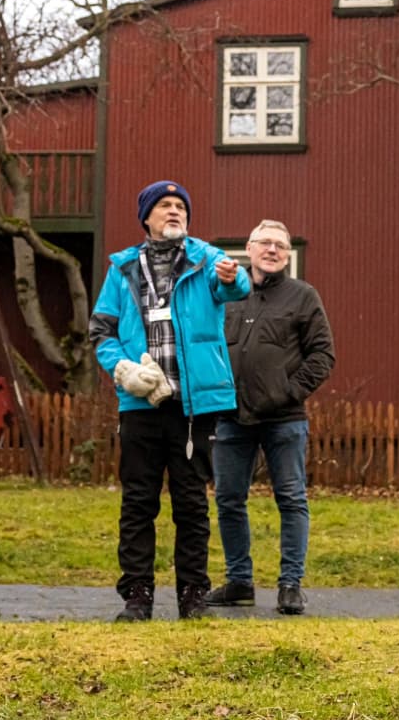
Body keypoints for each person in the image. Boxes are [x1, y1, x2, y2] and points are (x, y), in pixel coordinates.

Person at [88, 181, 250, 621]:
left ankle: (193, 597)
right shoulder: (121, 268)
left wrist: (234, 277)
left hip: (193, 407)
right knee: (138, 502)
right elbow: (101, 331)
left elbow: (236, 288)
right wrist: (124, 370)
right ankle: (137, 597)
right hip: (140, 406)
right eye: (165, 206)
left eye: (181, 206)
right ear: (147, 218)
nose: (174, 211)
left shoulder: (207, 259)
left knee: (191, 503)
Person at [214, 219, 334, 615]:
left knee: (291, 498)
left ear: (288, 255)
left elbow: (322, 356)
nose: (272, 250)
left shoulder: (303, 296)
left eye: (280, 245)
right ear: (248, 249)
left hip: (284, 419)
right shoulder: (227, 294)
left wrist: (287, 392)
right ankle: (239, 582)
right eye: (264, 243)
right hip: (230, 416)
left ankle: (290, 585)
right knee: (229, 499)